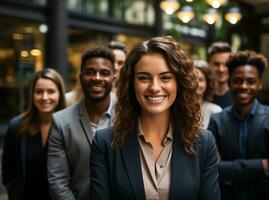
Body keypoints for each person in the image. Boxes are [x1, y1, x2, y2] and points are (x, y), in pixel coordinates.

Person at [90, 36, 220, 200]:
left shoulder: (204, 143)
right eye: (144, 78)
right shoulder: (104, 143)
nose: (155, 88)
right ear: (131, 83)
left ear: (179, 83)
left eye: (165, 77)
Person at [208, 50, 269, 200]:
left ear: (259, 84)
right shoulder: (217, 120)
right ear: (229, 83)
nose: (244, 86)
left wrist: (235, 182)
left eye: (251, 81)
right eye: (238, 80)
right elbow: (210, 169)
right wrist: (260, 165)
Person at [47, 46, 116, 200]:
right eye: (90, 72)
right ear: (80, 77)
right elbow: (57, 181)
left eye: (104, 73)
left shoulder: (129, 115)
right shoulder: (60, 121)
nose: (97, 78)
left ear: (114, 78)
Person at [2, 68, 66, 200]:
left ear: (60, 94)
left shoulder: (69, 126)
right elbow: (7, 171)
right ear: (32, 94)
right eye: (38, 92)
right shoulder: (17, 126)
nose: (44, 97)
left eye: (51, 91)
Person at [194, 60, 222, 129]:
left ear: (208, 83)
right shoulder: (177, 110)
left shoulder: (216, 111)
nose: (196, 83)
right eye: (193, 79)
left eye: (201, 80)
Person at [207, 42, 233, 108]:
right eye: (216, 64)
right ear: (209, 64)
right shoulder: (201, 96)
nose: (221, 69)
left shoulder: (238, 97)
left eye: (226, 64)